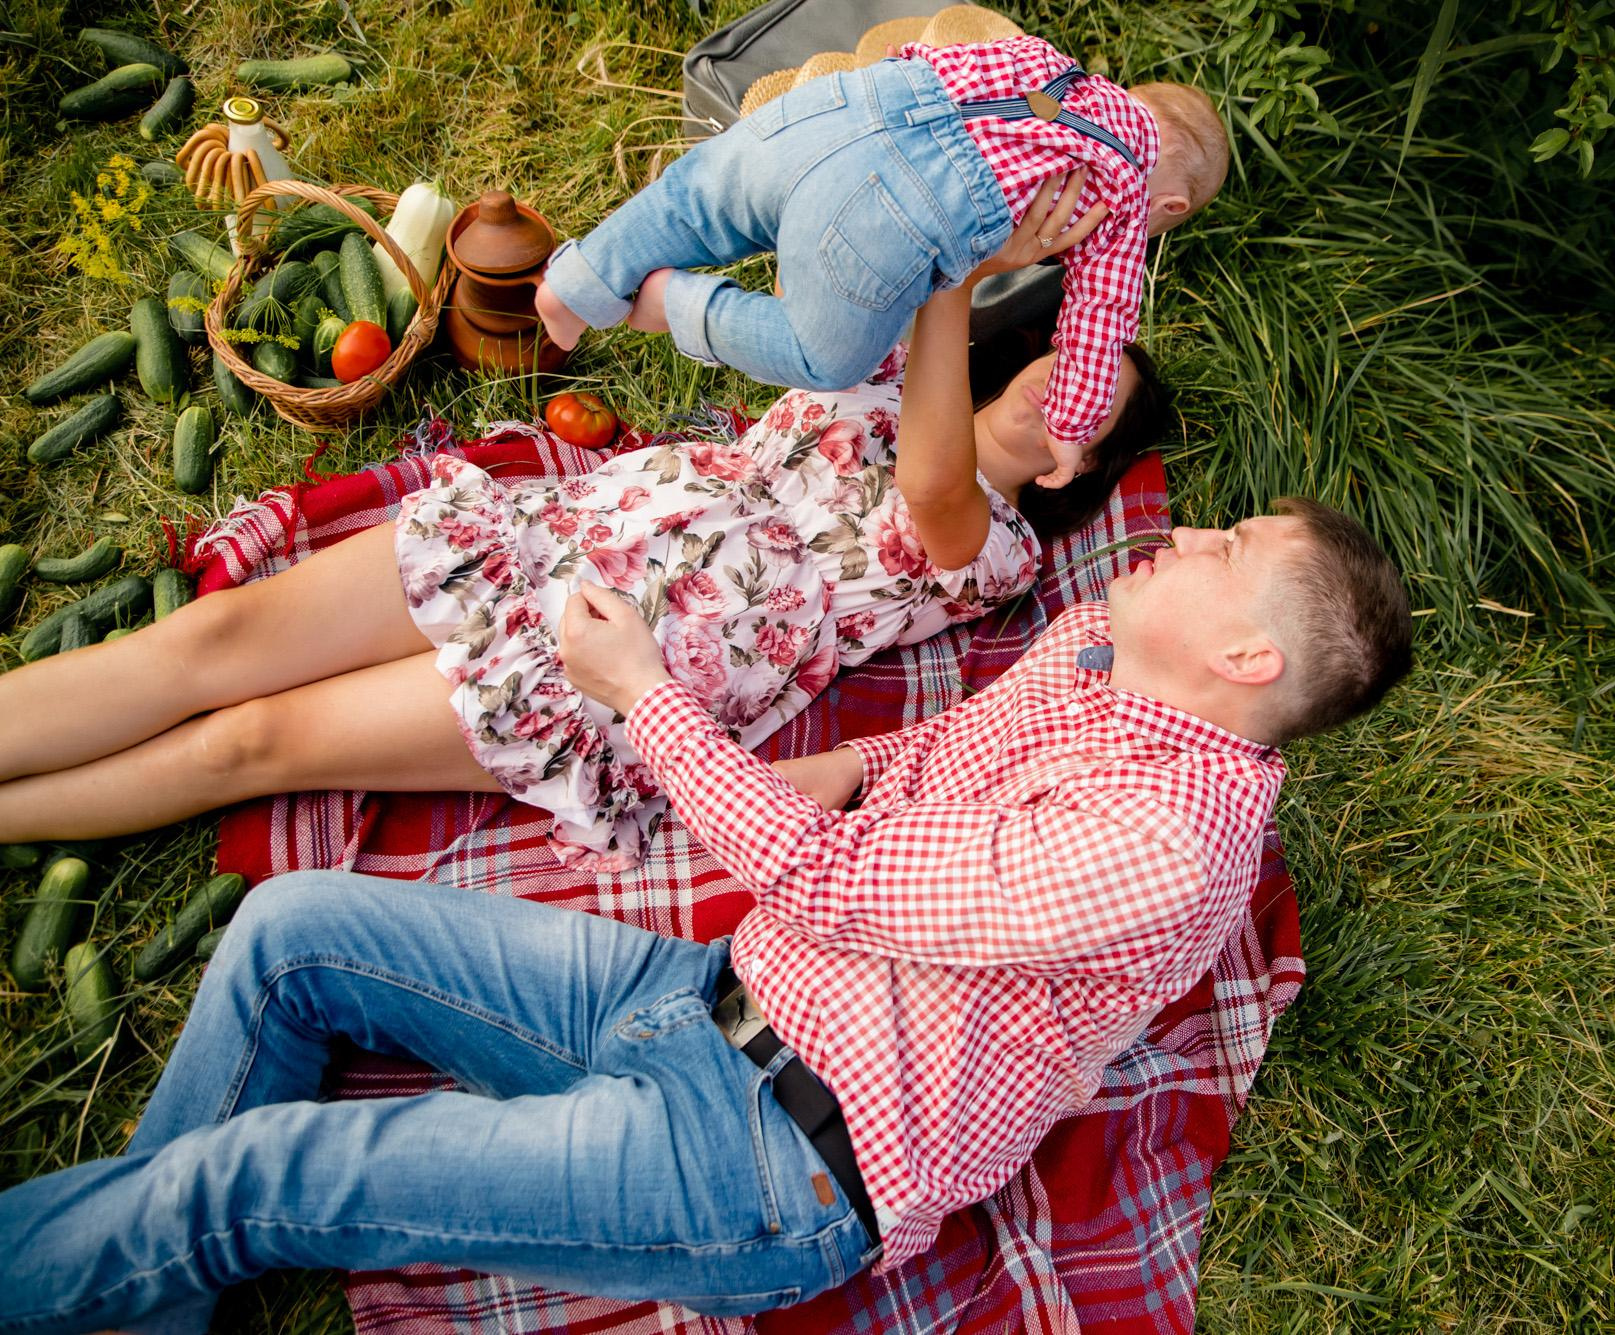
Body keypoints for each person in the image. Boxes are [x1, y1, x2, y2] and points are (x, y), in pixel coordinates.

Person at [0, 489, 1412, 1335]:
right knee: (295, 928)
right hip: (694, 994)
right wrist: (790, 770)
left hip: (764, 1164)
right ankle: (131, 1287)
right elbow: (923, 761)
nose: (1185, 530)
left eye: (1227, 543)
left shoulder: (1163, 845)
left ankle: (102, 1255)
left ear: (1249, 653)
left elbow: (843, 879)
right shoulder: (1098, 657)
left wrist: (652, 708)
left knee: (266, 1175)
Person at [0, 176, 1164, 871]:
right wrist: (993, 250)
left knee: (244, 745)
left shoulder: (998, 550)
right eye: (1077, 351)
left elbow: (927, 488)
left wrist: (957, 286)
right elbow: (870, 261)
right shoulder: (903, 367)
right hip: (549, 531)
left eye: (1095, 398)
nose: (1072, 377)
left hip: (622, 655)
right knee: (200, 649)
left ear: (1078, 465)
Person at [533, 33, 1230, 486]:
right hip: (899, 207)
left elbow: (940, 52)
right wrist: (1072, 432)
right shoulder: (1126, 193)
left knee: (701, 195)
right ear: (1168, 206)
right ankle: (678, 307)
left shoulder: (1054, 66)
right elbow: (1097, 327)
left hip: (844, 105)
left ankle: (575, 283)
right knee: (826, 358)